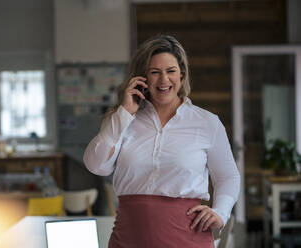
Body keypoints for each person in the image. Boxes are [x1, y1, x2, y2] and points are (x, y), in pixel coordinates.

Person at [83, 35, 240, 248]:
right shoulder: (121, 119)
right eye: (155, 72)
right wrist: (124, 113)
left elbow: (228, 176)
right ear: (142, 78)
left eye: (171, 71)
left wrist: (220, 211)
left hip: (188, 239)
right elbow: (96, 165)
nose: (164, 80)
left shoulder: (207, 123)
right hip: (128, 239)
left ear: (182, 75)